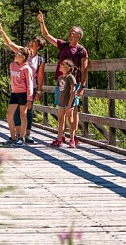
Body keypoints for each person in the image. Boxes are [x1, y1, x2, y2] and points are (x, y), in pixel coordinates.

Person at [38, 11, 89, 146]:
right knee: (61, 109)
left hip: (74, 83)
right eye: (70, 31)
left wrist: (82, 86)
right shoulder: (63, 45)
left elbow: (84, 68)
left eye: (73, 32)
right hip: (60, 82)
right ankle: (62, 137)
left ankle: (73, 137)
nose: (70, 33)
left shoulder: (82, 50)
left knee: (73, 111)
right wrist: (42, 22)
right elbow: (46, 36)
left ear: (78, 36)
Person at [0, 23, 46, 143]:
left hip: (30, 86)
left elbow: (40, 75)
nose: (31, 42)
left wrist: (38, 90)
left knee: (27, 111)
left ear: (38, 46)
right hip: (18, 86)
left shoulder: (39, 59)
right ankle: (17, 135)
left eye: (34, 41)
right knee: (17, 111)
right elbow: (10, 44)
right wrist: (2, 32)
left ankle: (26, 134)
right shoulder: (23, 52)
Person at [3, 47, 34, 147]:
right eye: (16, 54)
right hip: (14, 93)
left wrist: (29, 98)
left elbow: (30, 84)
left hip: (23, 94)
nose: (16, 56)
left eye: (18, 55)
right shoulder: (12, 65)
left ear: (23, 57)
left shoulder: (27, 68)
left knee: (23, 115)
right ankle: (12, 137)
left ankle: (21, 138)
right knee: (9, 115)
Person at [52, 59, 77, 147]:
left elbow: (73, 91)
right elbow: (59, 90)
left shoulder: (70, 77)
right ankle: (59, 139)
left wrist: (70, 104)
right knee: (61, 120)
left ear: (68, 67)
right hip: (61, 102)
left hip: (68, 102)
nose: (61, 66)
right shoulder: (60, 78)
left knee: (70, 120)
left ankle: (72, 139)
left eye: (63, 65)